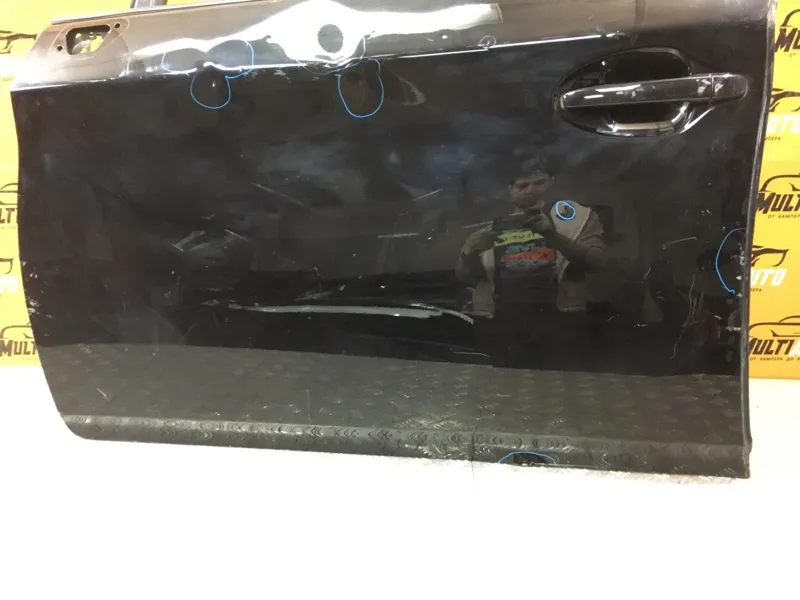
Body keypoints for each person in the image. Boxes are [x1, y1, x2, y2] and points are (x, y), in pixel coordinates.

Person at [455, 156, 607, 368]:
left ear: (552, 182)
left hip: (560, 322)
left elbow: (597, 262)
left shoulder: (577, 219)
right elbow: (465, 277)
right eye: (522, 185)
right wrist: (470, 251)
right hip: (500, 322)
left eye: (539, 183)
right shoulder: (489, 227)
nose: (530, 190)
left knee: (563, 382)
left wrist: (553, 236)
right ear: (510, 189)